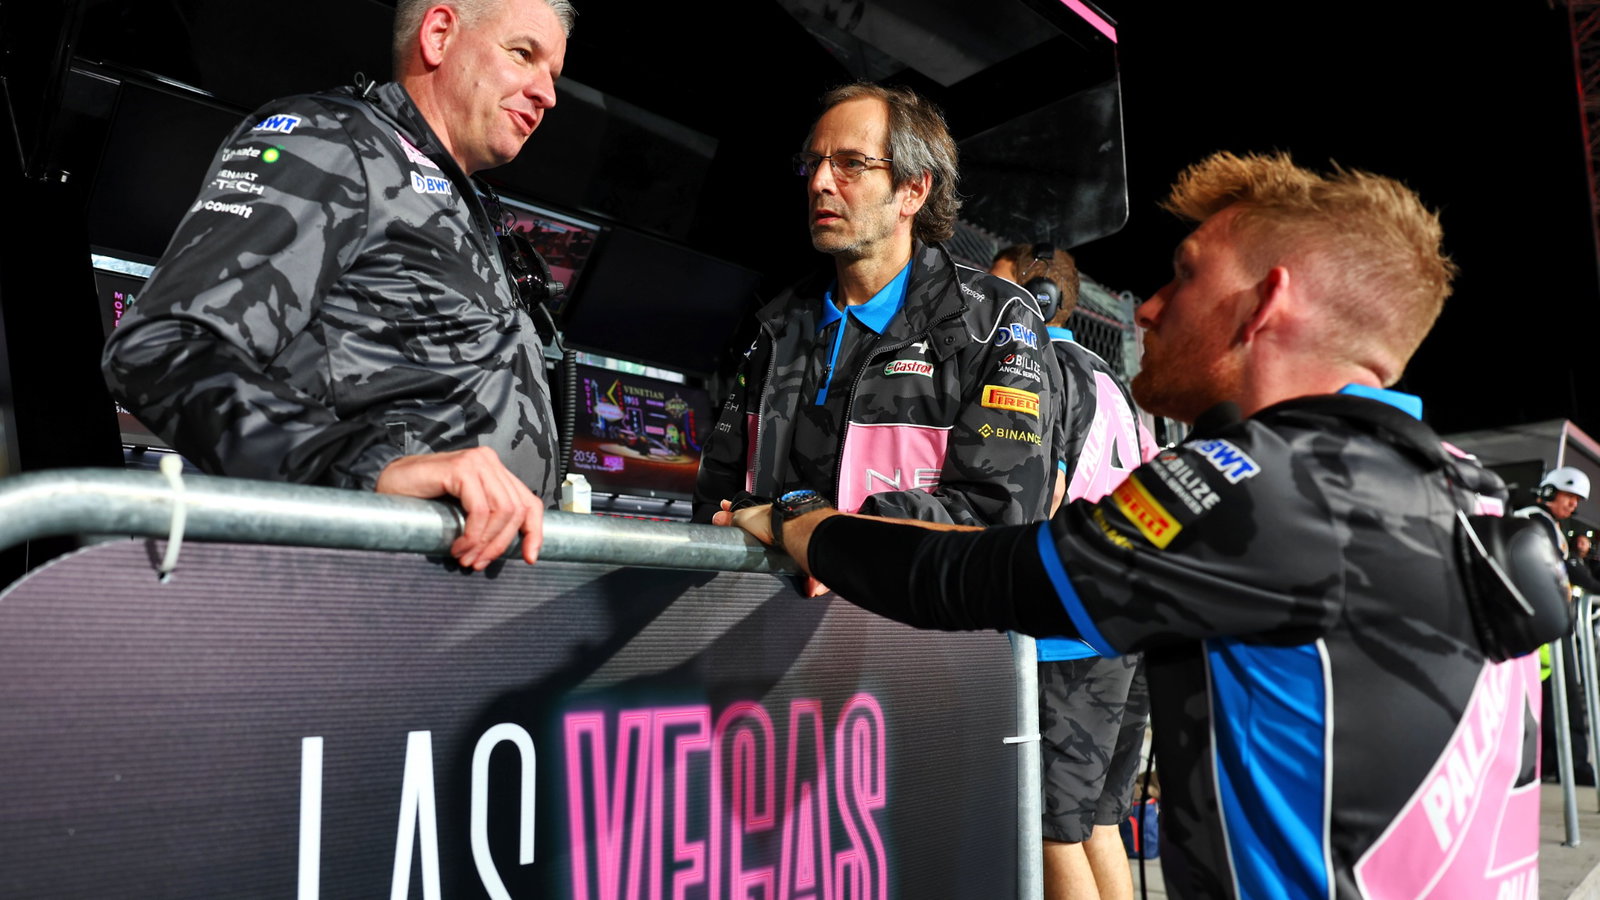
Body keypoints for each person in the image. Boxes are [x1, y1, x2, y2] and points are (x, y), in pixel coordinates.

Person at [733, 151, 1548, 897]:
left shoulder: (1266, 490)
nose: (1152, 308)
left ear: (1266, 302)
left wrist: (807, 522)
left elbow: (974, 578)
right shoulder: (1458, 483)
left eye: (1186, 275)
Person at [103, 0, 576, 571]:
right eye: (523, 54)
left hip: (465, 608)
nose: (546, 94)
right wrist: (372, 468)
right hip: (354, 591)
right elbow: (159, 347)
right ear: (440, 33)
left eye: (552, 77)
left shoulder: (470, 204)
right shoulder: (332, 139)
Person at [692, 83, 1055, 534]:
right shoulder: (778, 325)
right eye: (812, 163)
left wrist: (814, 533)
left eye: (850, 163)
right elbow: (713, 500)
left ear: (914, 190)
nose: (820, 182)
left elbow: (999, 518)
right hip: (765, 604)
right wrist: (759, 519)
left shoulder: (995, 321)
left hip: (898, 605)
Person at [992, 242, 1155, 900]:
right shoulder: (1111, 376)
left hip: (1069, 635)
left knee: (1052, 827)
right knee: (1097, 822)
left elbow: (1040, 496)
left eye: (995, 291)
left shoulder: (1038, 368)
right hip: (1127, 623)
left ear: (1040, 300)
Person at [1518, 467, 1596, 783]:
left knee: (1550, 699)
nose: (1573, 505)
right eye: (1569, 497)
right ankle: (1573, 767)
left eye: (1577, 500)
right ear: (1550, 492)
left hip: (1538, 622)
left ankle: (1552, 762)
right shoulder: (1536, 521)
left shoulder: (1540, 522)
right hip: (1546, 623)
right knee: (1563, 700)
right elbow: (1560, 570)